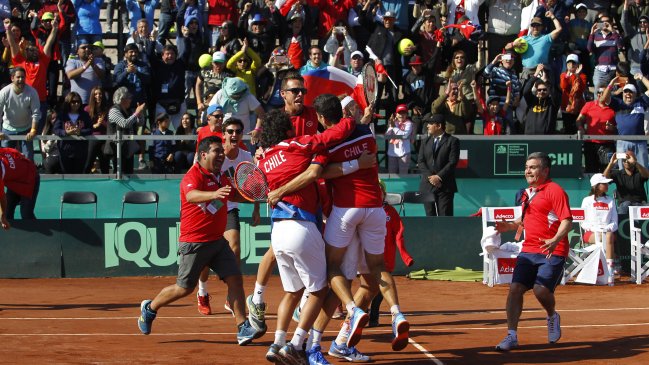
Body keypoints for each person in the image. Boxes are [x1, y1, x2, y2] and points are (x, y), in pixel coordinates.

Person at [258, 102, 357, 364]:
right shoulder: (297, 145)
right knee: (319, 289)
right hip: (300, 225)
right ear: (286, 129)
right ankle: (296, 343)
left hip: (277, 232)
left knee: (292, 292)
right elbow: (330, 137)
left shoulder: (264, 160)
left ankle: (277, 344)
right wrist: (349, 119)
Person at [137, 136, 261, 345]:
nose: (221, 155)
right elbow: (191, 196)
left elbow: (234, 195)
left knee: (235, 278)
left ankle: (242, 327)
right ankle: (149, 309)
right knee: (184, 288)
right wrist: (214, 194)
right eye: (216, 151)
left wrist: (255, 196)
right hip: (194, 242)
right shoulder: (193, 175)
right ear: (203, 155)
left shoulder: (221, 176)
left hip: (217, 242)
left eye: (222, 151)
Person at [494, 152, 572, 351]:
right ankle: (511, 335)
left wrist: (554, 240)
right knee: (515, 289)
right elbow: (526, 220)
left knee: (541, 290)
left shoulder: (555, 190)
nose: (528, 170)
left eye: (533, 167)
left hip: (552, 250)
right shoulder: (527, 192)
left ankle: (552, 315)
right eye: (527, 167)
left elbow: (567, 220)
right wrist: (509, 226)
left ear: (545, 170)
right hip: (528, 250)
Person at [195, 117, 260, 317]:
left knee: (235, 247)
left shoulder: (246, 157)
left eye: (238, 132)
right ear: (223, 134)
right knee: (205, 257)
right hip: (209, 206)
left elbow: (255, 185)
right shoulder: (214, 154)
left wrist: (256, 208)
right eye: (230, 131)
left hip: (229, 207)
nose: (234, 135)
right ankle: (202, 292)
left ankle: (231, 296)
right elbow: (196, 177)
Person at [368, 179, 414, 327]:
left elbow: (398, 234)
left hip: (387, 257)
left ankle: (373, 315)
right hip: (368, 256)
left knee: (382, 287)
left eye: (380, 190)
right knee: (369, 286)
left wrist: (405, 256)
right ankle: (357, 315)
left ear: (384, 193)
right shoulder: (365, 210)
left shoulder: (391, 212)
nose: (377, 193)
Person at [600, 75, 649, 170]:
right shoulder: (618, 104)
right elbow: (603, 99)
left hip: (640, 142)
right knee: (623, 170)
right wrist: (611, 84)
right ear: (622, 94)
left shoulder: (641, 102)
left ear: (635, 94)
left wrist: (642, 77)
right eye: (626, 92)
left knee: (643, 170)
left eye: (631, 92)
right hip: (622, 142)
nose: (628, 94)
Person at [417, 114, 460, 216]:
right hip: (427, 185)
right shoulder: (425, 141)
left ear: (439, 126)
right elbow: (421, 161)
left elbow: (452, 162)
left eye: (431, 124)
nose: (427, 126)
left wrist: (438, 177)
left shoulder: (452, 141)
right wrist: (431, 178)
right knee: (430, 216)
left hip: (445, 186)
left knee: (445, 217)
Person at [580, 173, 618, 285]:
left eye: (607, 183)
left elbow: (615, 222)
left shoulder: (610, 200)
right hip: (590, 234)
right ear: (596, 185)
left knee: (609, 235)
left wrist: (606, 228)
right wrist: (595, 229)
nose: (607, 185)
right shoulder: (587, 200)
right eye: (604, 183)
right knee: (608, 236)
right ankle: (610, 271)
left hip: (607, 233)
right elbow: (583, 222)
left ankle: (610, 272)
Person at [0, 67, 40, 161]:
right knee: (5, 159)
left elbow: (36, 113)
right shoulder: (4, 92)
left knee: (28, 158)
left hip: (26, 130)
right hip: (7, 129)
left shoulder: (32, 92)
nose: (21, 80)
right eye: (18, 77)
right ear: (12, 78)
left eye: (23, 77)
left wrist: (33, 130)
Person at [576, 87, 617, 173]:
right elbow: (579, 120)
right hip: (590, 144)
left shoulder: (613, 108)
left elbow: (619, 129)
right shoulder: (589, 105)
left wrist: (612, 128)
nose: (600, 94)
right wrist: (580, 127)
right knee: (591, 171)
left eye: (603, 92)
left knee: (607, 172)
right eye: (598, 92)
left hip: (607, 145)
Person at [53, 92, 92, 173]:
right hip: (65, 150)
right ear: (68, 102)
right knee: (66, 175)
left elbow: (90, 129)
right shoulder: (62, 115)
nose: (76, 104)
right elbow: (56, 129)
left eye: (78, 101)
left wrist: (80, 132)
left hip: (81, 151)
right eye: (73, 102)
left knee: (79, 175)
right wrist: (66, 132)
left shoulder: (85, 115)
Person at [0, 147, 39, 226]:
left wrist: (2, 216)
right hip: (14, 182)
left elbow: (2, 198)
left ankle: (40, 237)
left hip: (30, 178)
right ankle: (9, 237)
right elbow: (6, 149)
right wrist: (17, 152)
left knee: (26, 215)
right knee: (7, 214)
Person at [603, 150, 649, 214]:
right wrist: (611, 164)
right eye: (624, 160)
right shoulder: (618, 174)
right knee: (625, 205)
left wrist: (635, 163)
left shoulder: (640, 172)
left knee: (646, 207)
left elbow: (646, 175)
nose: (626, 161)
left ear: (634, 159)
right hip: (624, 204)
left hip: (640, 203)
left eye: (629, 159)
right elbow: (603, 178)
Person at [559, 54, 587, 135]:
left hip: (578, 107)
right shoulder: (563, 75)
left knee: (577, 129)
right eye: (569, 63)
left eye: (573, 63)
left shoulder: (582, 76)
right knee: (568, 130)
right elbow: (563, 86)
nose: (571, 65)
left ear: (578, 65)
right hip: (566, 106)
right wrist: (568, 76)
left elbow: (580, 89)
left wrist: (577, 75)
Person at [385, 103, 413, 174]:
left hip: (404, 152)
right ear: (396, 114)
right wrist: (391, 125)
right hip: (392, 152)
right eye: (399, 113)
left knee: (403, 175)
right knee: (391, 175)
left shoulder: (409, 123)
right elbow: (387, 135)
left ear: (407, 114)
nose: (401, 115)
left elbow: (404, 135)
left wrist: (394, 126)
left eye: (404, 113)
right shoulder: (393, 122)